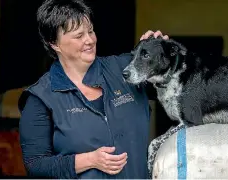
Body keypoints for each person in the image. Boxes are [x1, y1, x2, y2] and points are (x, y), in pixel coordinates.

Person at [18, 0, 169, 179]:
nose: (89, 40)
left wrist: (159, 57)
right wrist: (89, 160)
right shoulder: (41, 97)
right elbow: (36, 164)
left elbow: (175, 85)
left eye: (90, 31)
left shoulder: (126, 69)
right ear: (54, 43)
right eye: (78, 35)